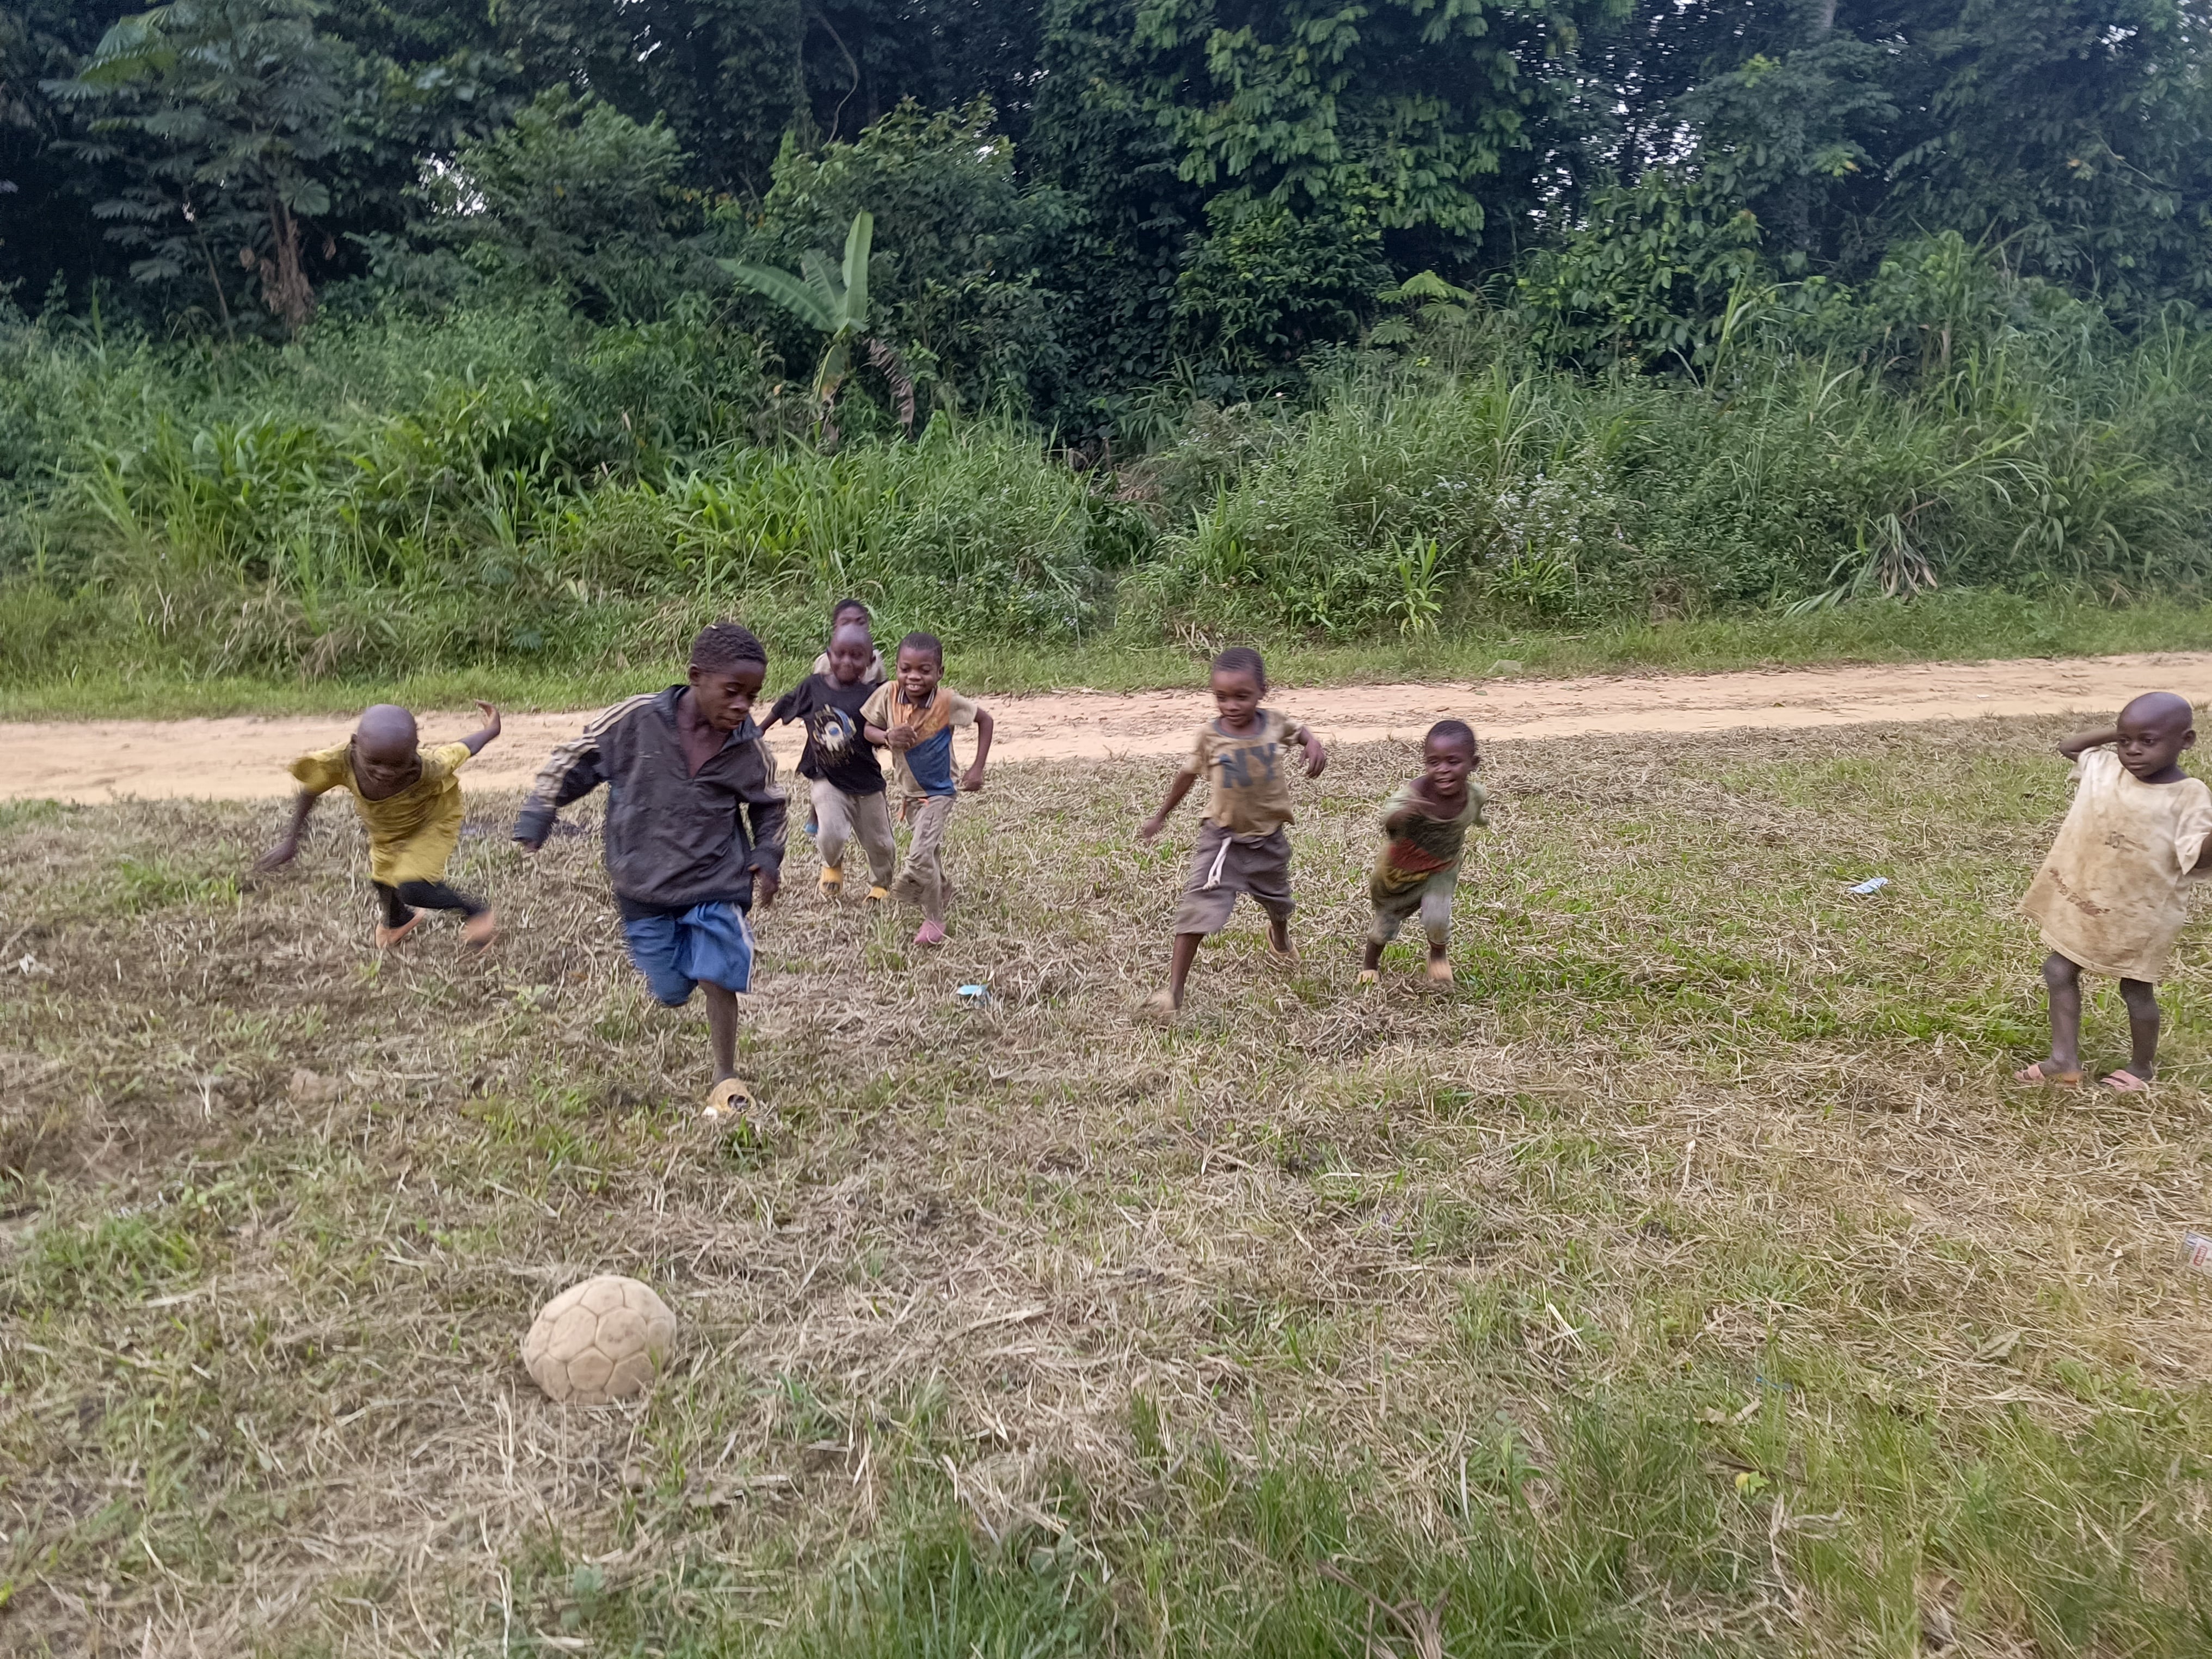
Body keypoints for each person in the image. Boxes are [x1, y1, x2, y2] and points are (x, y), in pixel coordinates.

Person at [512, 623, 787, 1117]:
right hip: (643, 882)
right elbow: (575, 758)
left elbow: (770, 805)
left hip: (715, 880)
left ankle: (725, 1073)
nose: (744, 705)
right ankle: (681, 971)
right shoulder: (637, 720)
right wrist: (541, 812)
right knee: (671, 990)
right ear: (696, 677)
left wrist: (768, 856)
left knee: (718, 974)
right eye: (733, 691)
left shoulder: (747, 747)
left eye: (753, 695)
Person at [2015, 692, 2212, 1091]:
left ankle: (2141, 1068)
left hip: (2141, 911)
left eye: (2148, 741)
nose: (2133, 751)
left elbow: (2199, 854)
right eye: (2125, 741)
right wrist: (2125, 729)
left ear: (2186, 741)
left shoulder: (2189, 796)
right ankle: (2063, 1060)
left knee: (2134, 986)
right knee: (2058, 969)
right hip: (2087, 897)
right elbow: (2068, 746)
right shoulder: (2104, 766)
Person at [1137, 647, 1325, 1012]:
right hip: (1222, 841)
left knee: (1280, 903)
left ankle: (1279, 937)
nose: (1231, 706)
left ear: (1262, 692)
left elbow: (1300, 732)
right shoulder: (1210, 736)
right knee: (1196, 909)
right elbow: (1187, 777)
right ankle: (1173, 994)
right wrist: (1161, 816)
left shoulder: (1273, 723)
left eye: (1242, 696)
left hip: (1268, 842)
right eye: (1221, 697)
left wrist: (1314, 744)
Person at [257, 701, 502, 951]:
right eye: (374, 762)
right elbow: (310, 792)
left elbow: (462, 749)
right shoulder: (339, 762)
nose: (385, 772)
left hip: (432, 821)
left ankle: (476, 911)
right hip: (387, 829)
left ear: (415, 751)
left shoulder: (428, 767)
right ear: (355, 744)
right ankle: (399, 920)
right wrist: (291, 841)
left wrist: (491, 731)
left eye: (398, 765)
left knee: (413, 888)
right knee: (382, 881)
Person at [861, 631, 994, 947]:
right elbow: (867, 728)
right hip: (910, 795)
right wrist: (886, 737)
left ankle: (934, 918)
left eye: (924, 670)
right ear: (896, 668)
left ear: (939, 673)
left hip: (939, 794)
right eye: (906, 669)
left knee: (919, 855)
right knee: (930, 852)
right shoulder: (888, 694)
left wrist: (977, 769)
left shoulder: (948, 702)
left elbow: (985, 721)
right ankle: (942, 885)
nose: (914, 677)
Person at [763, 618, 895, 902]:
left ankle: (880, 884)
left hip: (866, 781)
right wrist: (758, 729)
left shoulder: (874, 695)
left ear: (870, 661)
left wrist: (891, 738)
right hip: (828, 778)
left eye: (857, 656)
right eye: (840, 654)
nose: (847, 661)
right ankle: (833, 865)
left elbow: (885, 729)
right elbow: (784, 704)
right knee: (829, 832)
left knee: (880, 843)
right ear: (828, 655)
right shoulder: (813, 687)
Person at [1361, 720, 1486, 986]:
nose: (1443, 770)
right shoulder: (1412, 796)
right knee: (1385, 923)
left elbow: (1475, 811)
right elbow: (1389, 823)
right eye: (1434, 762)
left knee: (1438, 916)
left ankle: (1438, 957)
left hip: (1442, 868)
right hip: (1400, 873)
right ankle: (1370, 964)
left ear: (1473, 764)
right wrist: (1405, 814)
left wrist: (1479, 819)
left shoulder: (1474, 795)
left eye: (1453, 762)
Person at [810, 597, 886, 684]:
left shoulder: (876, 661)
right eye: (846, 623)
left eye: (861, 623)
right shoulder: (825, 662)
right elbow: (815, 690)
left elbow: (883, 690)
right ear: (835, 628)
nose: (853, 628)